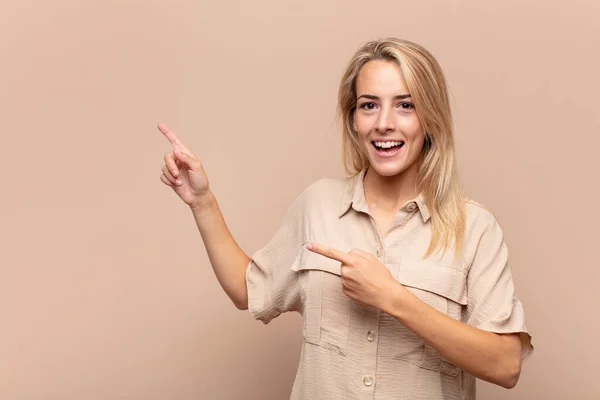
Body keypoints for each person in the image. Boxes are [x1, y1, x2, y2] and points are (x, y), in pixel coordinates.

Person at [157, 37, 533, 399]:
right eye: (369, 105)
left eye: (405, 105)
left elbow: (505, 365)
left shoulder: (475, 228)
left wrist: (394, 298)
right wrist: (202, 202)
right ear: (354, 119)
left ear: (430, 118)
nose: (384, 123)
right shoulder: (317, 204)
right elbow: (248, 289)